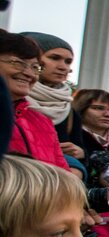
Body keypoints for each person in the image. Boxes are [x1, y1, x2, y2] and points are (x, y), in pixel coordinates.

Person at [1, 31, 68, 169]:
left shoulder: (43, 121)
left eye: (35, 67)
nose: (29, 74)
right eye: (18, 63)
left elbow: (62, 174)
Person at [20, 31, 85, 162]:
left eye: (68, 62)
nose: (63, 67)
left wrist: (80, 154)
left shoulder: (69, 111)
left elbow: (80, 152)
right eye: (54, 58)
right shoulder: (13, 99)